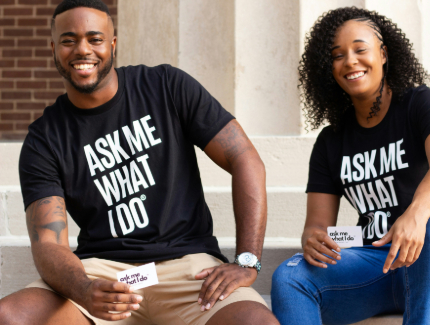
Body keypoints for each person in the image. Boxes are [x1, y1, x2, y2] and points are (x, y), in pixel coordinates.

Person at [0, 1, 279, 324]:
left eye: (95, 38)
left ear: (113, 44)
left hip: (188, 268)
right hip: (102, 271)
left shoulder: (165, 86)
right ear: (54, 48)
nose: (82, 50)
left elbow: (244, 158)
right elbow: (49, 243)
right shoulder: (44, 138)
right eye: (68, 40)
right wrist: (83, 288)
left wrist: (247, 261)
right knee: (11, 317)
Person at [271, 7, 430, 325]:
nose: (350, 61)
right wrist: (314, 238)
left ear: (383, 54)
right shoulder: (331, 141)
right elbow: (317, 224)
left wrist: (415, 214)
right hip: (376, 266)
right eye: (338, 55)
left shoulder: (420, 104)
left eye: (360, 49)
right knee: (289, 276)